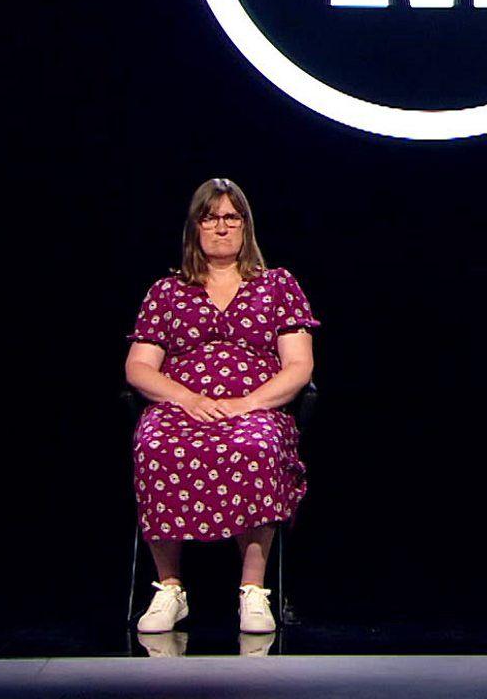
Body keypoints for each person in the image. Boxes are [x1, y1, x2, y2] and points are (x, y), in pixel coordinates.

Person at [125, 178, 317, 635]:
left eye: (232, 217)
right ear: (194, 227)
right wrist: (189, 399)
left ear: (246, 226)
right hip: (182, 405)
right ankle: (169, 588)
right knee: (155, 443)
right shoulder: (166, 292)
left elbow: (298, 366)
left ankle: (252, 591)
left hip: (256, 406)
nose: (221, 227)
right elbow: (139, 367)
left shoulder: (277, 286)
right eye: (210, 217)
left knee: (255, 445)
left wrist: (246, 403)